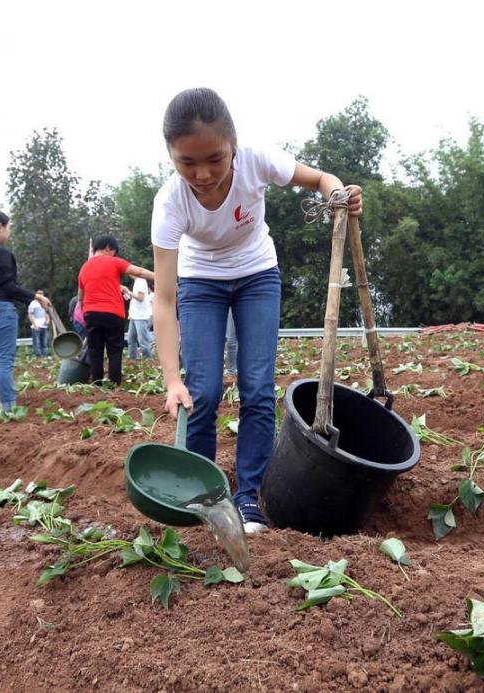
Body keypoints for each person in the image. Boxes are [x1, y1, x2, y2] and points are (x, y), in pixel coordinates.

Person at [151, 88, 363, 533]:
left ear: (234, 145)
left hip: (256, 275)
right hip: (200, 283)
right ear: (170, 156)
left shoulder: (257, 162)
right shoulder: (170, 203)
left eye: (214, 158)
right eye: (186, 163)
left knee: (257, 388)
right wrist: (172, 379)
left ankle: (249, 497)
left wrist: (340, 195)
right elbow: (165, 300)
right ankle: (204, 497)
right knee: (202, 392)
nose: (203, 173)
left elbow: (322, 179)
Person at [0, 209, 50, 412]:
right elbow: (9, 287)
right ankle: (9, 409)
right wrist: (36, 297)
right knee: (4, 361)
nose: (9, 232)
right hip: (0, 310)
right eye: (9, 227)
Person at [77, 235, 155, 385]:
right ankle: (114, 383)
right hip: (113, 313)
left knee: (95, 350)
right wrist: (162, 277)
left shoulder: (84, 267)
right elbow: (139, 272)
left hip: (91, 313)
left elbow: (81, 296)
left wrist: (85, 313)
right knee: (114, 349)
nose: (114, 254)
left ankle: (97, 383)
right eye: (114, 251)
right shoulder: (114, 261)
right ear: (108, 248)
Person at [124, 276, 154, 359]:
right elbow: (137, 298)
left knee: (143, 341)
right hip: (134, 315)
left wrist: (128, 291)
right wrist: (129, 296)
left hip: (141, 316)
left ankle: (148, 360)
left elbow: (140, 298)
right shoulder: (137, 281)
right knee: (130, 339)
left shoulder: (141, 281)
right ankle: (132, 359)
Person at [28, 290, 50, 358]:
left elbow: (46, 313)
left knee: (45, 343)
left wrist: (48, 320)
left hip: (44, 326)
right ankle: (38, 357)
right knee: (37, 343)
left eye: (41, 294)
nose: (40, 295)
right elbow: (30, 314)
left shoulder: (44, 303)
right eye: (39, 294)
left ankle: (45, 357)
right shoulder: (32, 303)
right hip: (36, 325)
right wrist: (34, 325)